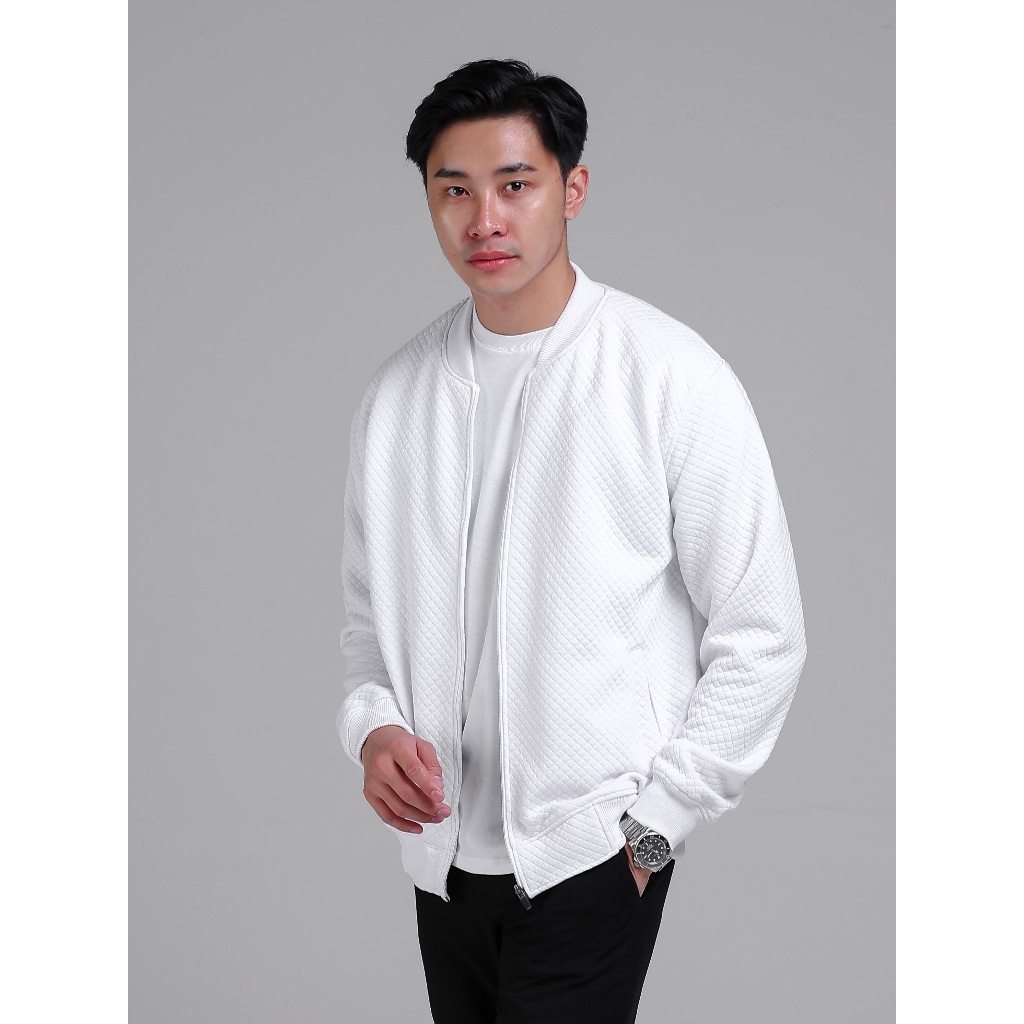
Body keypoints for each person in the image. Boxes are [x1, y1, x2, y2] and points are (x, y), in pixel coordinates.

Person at [337, 58, 807, 1024]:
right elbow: (367, 632)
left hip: (594, 860)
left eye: (515, 185)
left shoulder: (668, 375)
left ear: (573, 189)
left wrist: (653, 836)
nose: (485, 220)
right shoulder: (395, 401)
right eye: (455, 191)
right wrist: (373, 731)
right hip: (441, 864)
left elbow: (764, 635)